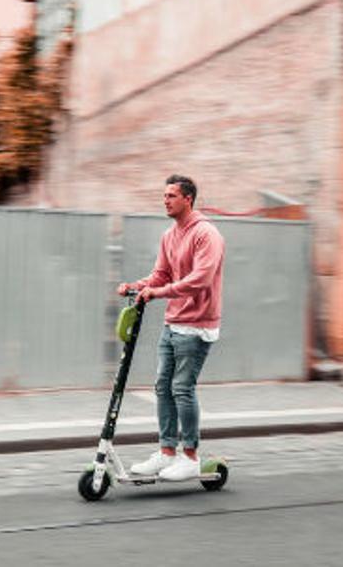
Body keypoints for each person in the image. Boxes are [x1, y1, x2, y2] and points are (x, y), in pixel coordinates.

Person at [118, 174, 225, 481]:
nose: (165, 200)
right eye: (164, 195)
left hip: (197, 324)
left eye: (171, 196)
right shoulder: (170, 236)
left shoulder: (207, 234)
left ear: (188, 199)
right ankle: (167, 453)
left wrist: (159, 293)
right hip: (173, 322)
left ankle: (190, 456)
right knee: (162, 387)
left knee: (182, 388)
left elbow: (200, 280)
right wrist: (136, 286)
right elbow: (161, 275)